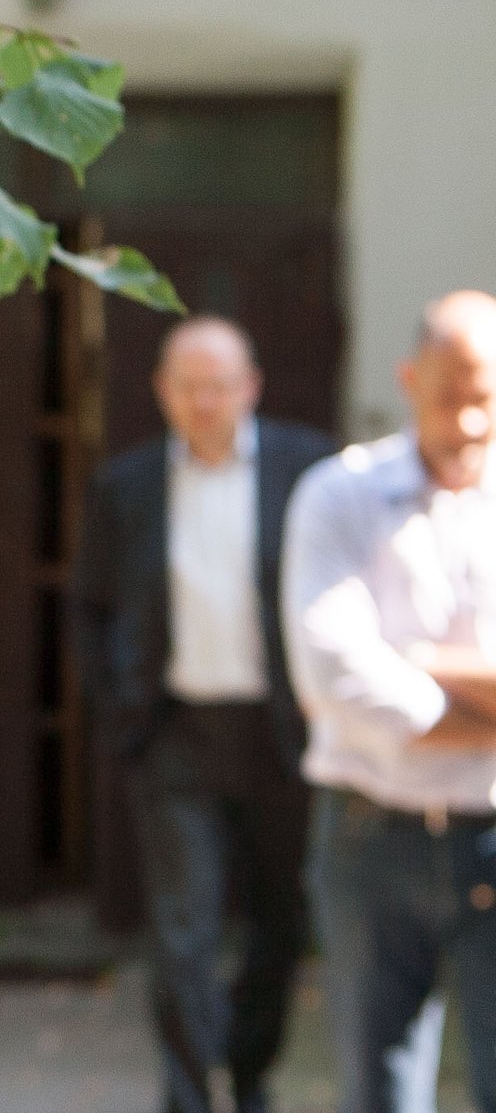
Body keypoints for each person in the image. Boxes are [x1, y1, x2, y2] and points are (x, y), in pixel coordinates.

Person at [73, 316, 337, 1113]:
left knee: (279, 923)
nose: (204, 402)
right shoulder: (127, 486)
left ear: (250, 387)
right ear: (163, 392)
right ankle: (188, 1097)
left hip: (281, 734)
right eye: (188, 387)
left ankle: (249, 1076)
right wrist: (116, 709)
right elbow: (90, 607)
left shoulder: (309, 470)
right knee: (183, 933)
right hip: (175, 735)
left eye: (219, 386)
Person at [284, 290, 496, 1113]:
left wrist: (419, 667)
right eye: (449, 397)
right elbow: (335, 677)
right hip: (372, 833)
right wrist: (474, 708)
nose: (468, 422)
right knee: (380, 1088)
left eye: (484, 399)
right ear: (409, 380)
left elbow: (376, 678)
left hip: (489, 826)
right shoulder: (341, 494)